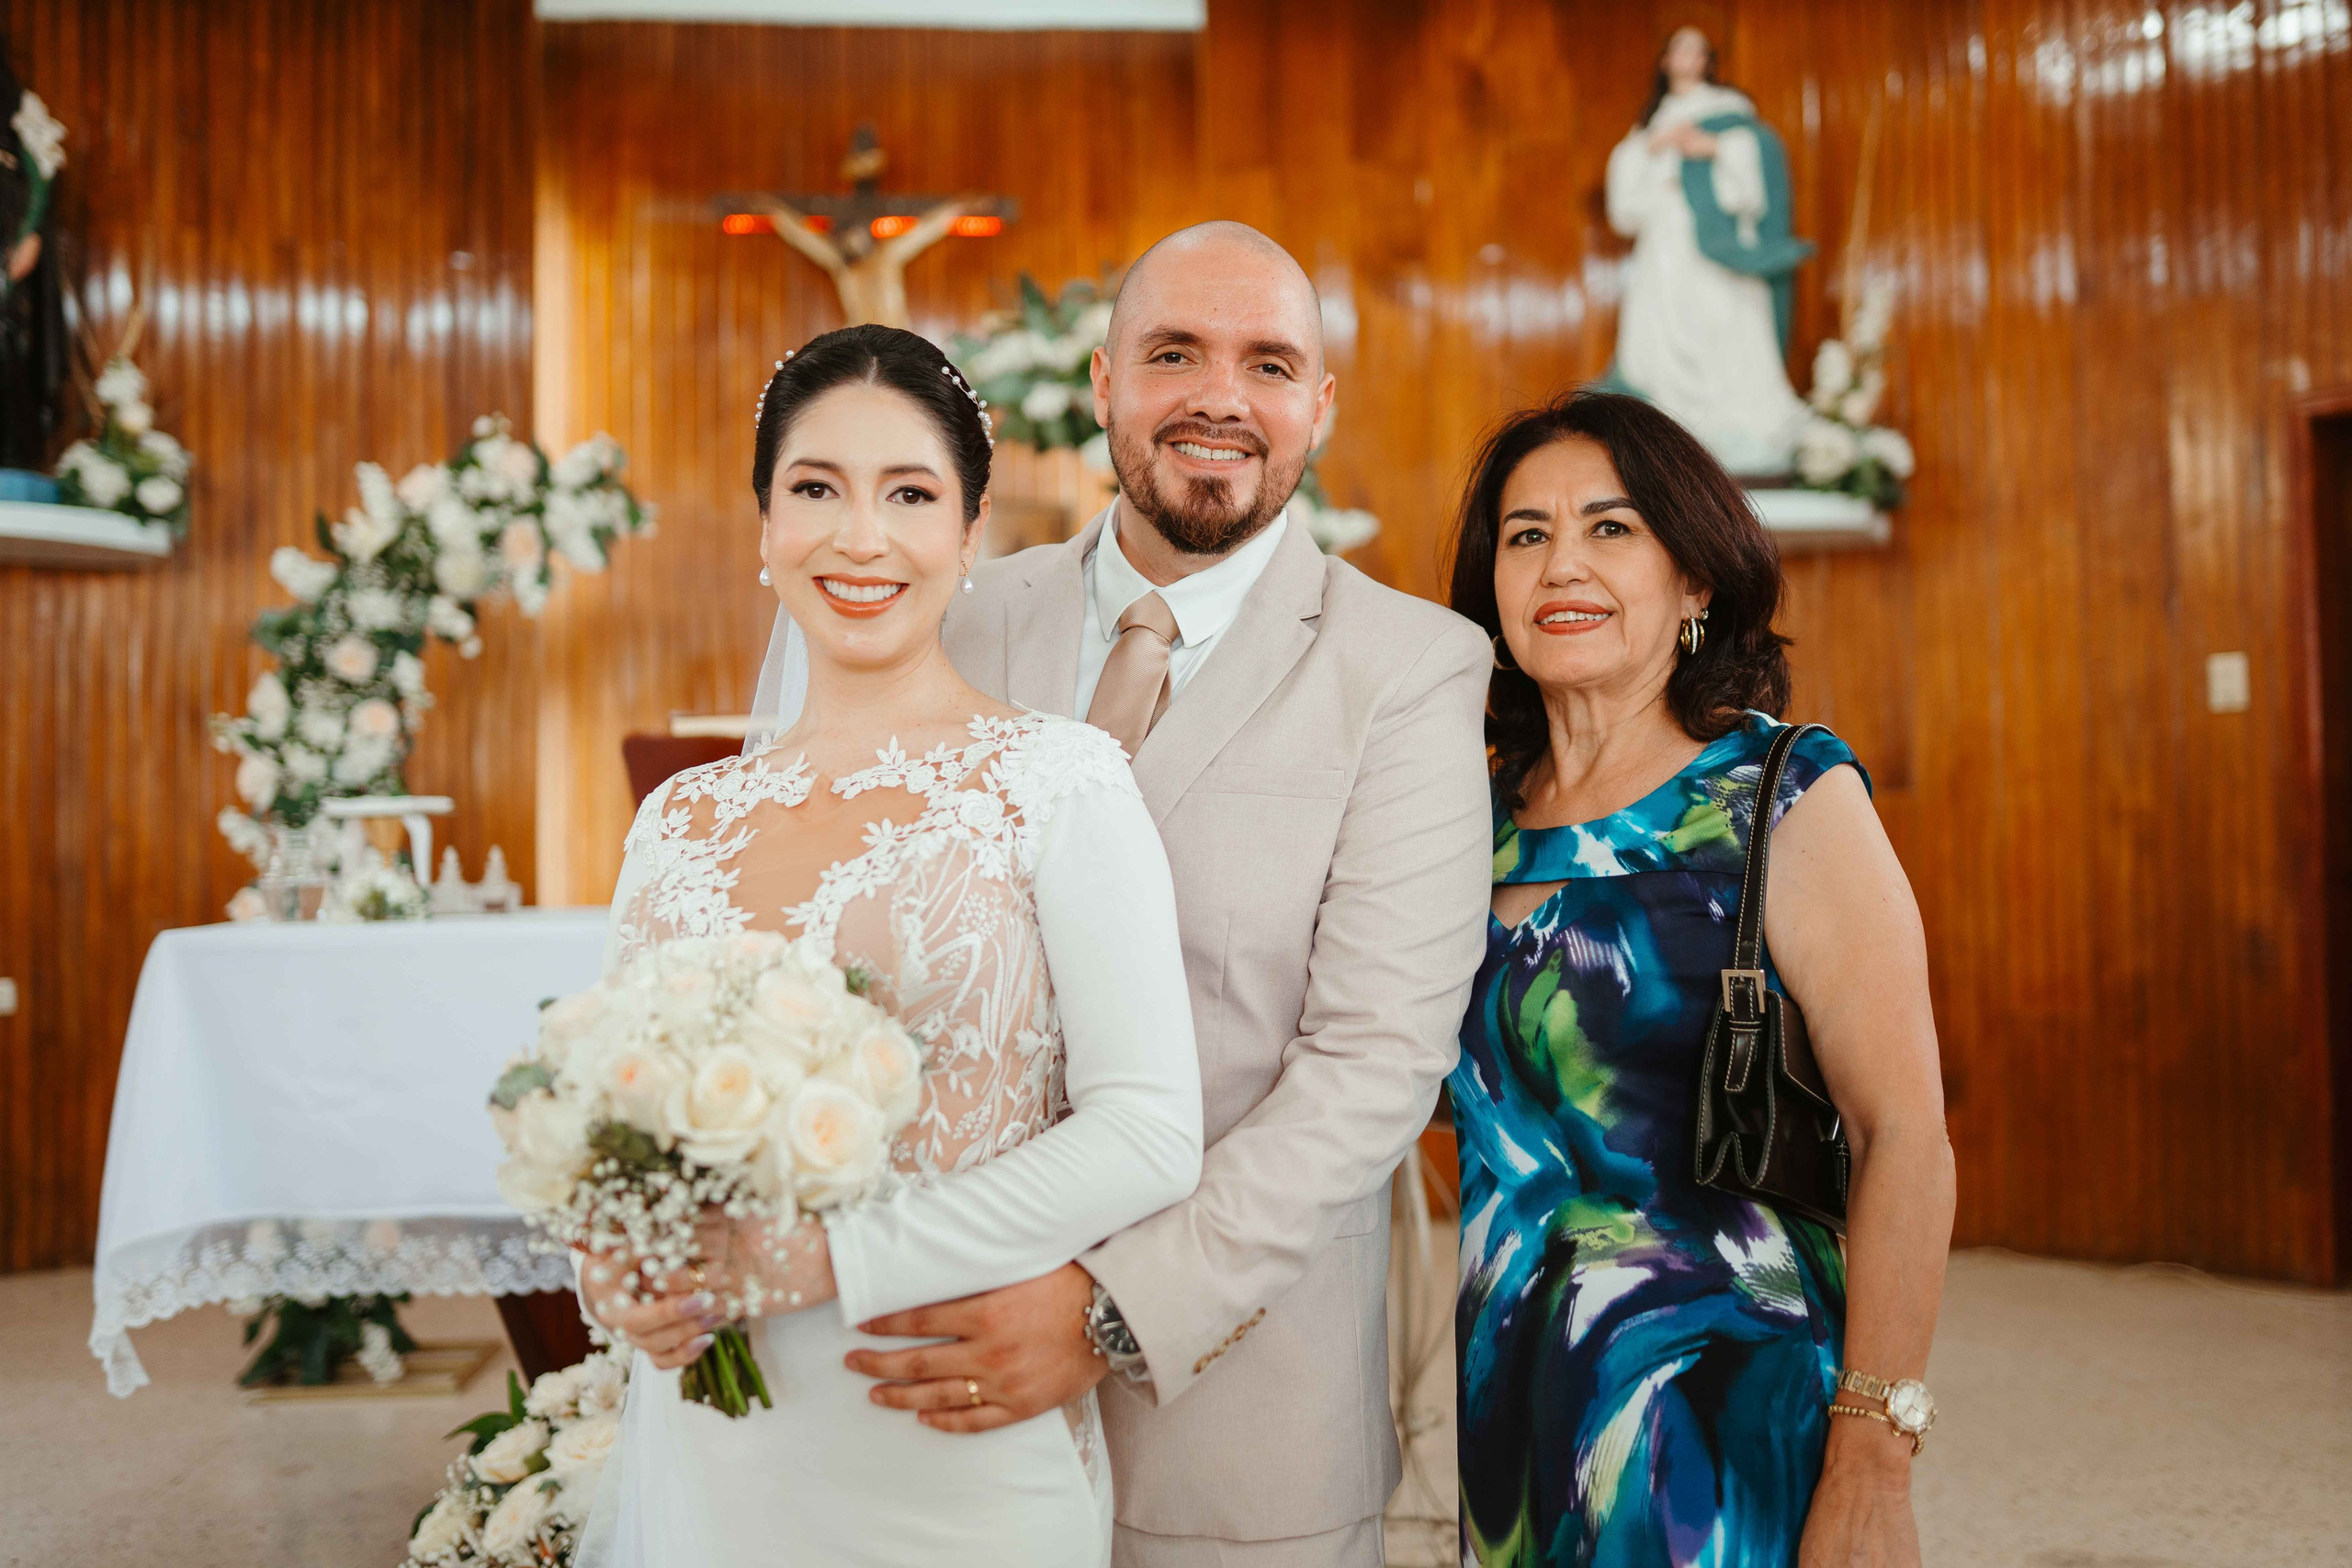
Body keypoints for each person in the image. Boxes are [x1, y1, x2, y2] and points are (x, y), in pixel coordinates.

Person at [838, 220, 1496, 1566]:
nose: (1219, 396)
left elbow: (1371, 1066)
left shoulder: (1410, 669)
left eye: (1268, 363)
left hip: (1232, 1402)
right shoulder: (955, 615)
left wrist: (1105, 1310)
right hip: (925, 1353)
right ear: (1102, 381)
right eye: (1174, 352)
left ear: (1319, 403)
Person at [576, 322, 1204, 1567]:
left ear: (968, 535)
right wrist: (619, 1269)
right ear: (764, 527)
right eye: (816, 488)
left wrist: (827, 1255)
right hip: (712, 1438)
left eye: (909, 493)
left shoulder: (1054, 780)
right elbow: (616, 1129)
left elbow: (1148, 1129)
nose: (860, 536)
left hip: (942, 1425)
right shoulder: (676, 821)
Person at [1443, 389, 1954, 1566]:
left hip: (1720, 1406)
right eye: (1526, 536)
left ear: (1694, 581)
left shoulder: (1781, 796)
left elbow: (1904, 1137)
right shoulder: (1460, 819)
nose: (1561, 563)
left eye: (1610, 528)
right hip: (1513, 1403)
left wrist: (1876, 1457)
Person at [1604, 27, 1813, 476]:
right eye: (1680, 48)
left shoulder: (1728, 111)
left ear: (1707, 61)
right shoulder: (1651, 122)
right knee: (1663, 324)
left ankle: (1736, 425)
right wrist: (1652, 146)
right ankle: (1672, 429)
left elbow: (1759, 152)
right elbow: (1625, 201)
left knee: (1724, 317)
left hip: (1713, 240)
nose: (1689, 58)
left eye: (1698, 50)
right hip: (1665, 238)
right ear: (1665, 60)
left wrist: (1712, 147)